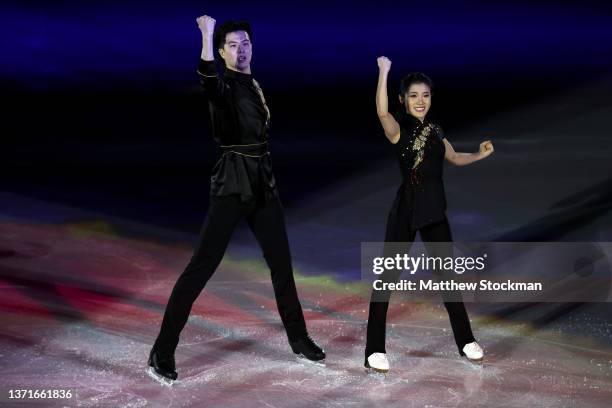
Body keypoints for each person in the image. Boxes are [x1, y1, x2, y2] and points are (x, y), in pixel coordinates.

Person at [148, 15, 325, 383]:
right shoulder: (224, 85)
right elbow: (206, 78)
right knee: (202, 266)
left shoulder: (252, 83)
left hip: (263, 182)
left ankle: (298, 338)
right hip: (232, 183)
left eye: (245, 43)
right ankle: (162, 351)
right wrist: (206, 33)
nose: (241, 49)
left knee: (281, 264)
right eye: (232, 45)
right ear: (222, 52)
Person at [364, 56, 494, 373]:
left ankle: (465, 341)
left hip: (435, 211)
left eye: (425, 95)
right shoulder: (398, 130)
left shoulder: (436, 129)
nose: (420, 101)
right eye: (413, 95)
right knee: (387, 280)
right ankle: (373, 350)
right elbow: (381, 112)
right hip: (406, 211)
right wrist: (383, 72)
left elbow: (453, 156)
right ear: (403, 100)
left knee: (448, 279)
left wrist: (478, 154)